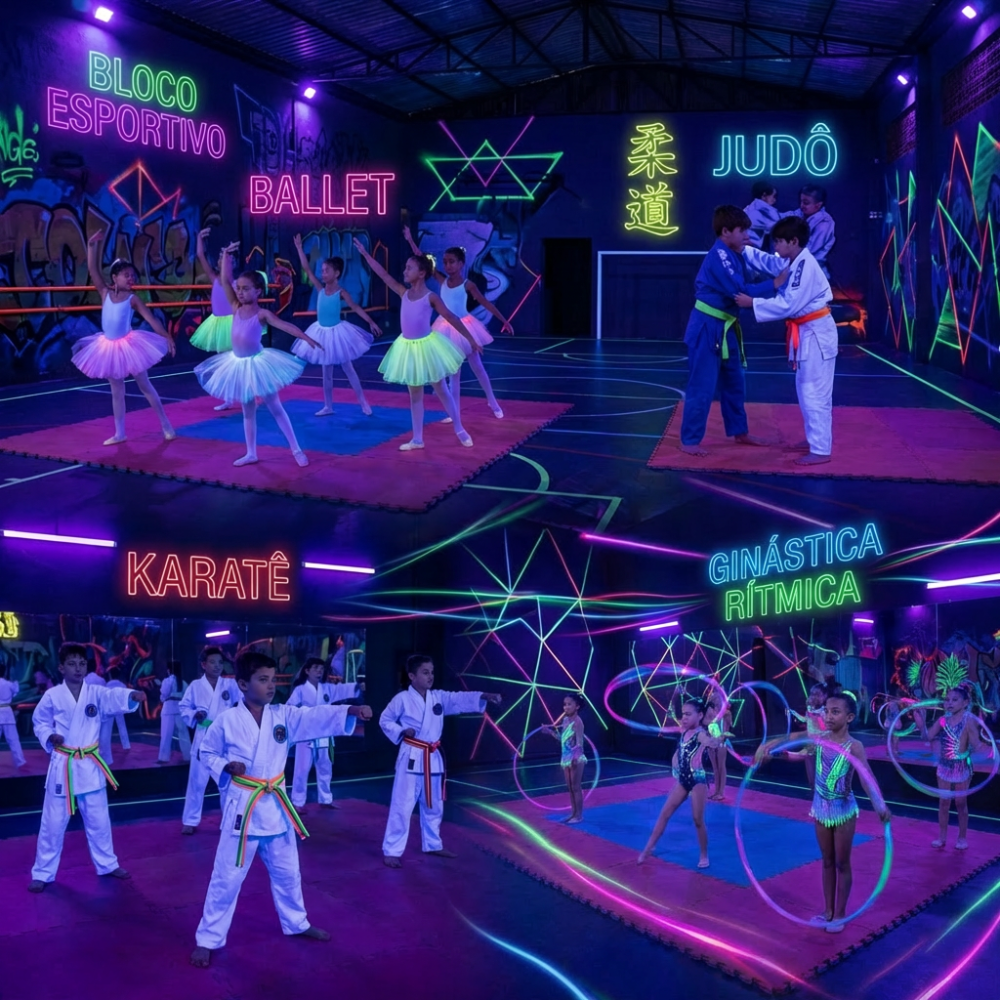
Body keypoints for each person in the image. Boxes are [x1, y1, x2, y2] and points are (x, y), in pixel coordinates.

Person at [190, 651, 372, 968]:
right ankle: (208, 938)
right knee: (227, 878)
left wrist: (351, 710)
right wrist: (225, 765)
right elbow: (206, 751)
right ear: (243, 684)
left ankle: (297, 922)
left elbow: (314, 717)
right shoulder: (227, 721)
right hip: (243, 812)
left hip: (276, 806)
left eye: (274, 679)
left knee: (289, 873)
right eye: (263, 680)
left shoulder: (283, 716)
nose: (271, 686)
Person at [757, 691, 891, 932]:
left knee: (842, 862)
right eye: (827, 711)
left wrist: (880, 804)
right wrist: (776, 753)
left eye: (835, 712)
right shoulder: (818, 739)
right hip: (820, 807)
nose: (829, 716)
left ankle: (839, 913)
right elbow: (799, 754)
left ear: (849, 717)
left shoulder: (855, 746)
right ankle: (827, 910)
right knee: (827, 861)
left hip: (842, 809)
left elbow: (866, 778)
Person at [28, 643, 147, 892]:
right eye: (72, 663)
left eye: (82, 663)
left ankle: (107, 864)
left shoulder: (95, 692)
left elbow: (113, 698)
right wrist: (50, 737)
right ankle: (42, 872)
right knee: (52, 823)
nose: (78, 668)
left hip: (90, 765)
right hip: (64, 764)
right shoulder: (52, 696)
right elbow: (39, 721)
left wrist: (130, 696)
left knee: (99, 820)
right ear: (61, 668)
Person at [194, 244, 319, 468]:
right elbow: (224, 281)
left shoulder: (262, 314)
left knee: (275, 407)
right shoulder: (234, 307)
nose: (240, 292)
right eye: (239, 288)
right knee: (247, 410)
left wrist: (305, 337)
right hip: (238, 364)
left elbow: (284, 325)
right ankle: (251, 452)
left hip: (258, 364)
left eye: (245, 289)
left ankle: (296, 449)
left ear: (258, 291)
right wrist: (226, 255)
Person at [679, 205, 788, 457]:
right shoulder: (718, 256)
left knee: (735, 382)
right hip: (707, 327)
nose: (747, 236)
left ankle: (740, 432)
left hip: (727, 326)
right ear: (725, 231)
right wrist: (775, 283)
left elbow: (747, 285)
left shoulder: (735, 253)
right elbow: (740, 291)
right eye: (742, 231)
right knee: (703, 385)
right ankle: (689, 439)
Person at [353, 239, 481, 451]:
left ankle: (459, 428)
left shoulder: (430, 297)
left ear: (421, 273)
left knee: (441, 388)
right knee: (415, 395)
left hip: (427, 347)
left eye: (409, 268)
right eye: (405, 268)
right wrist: (366, 255)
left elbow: (451, 317)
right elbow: (383, 275)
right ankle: (418, 439)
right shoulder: (403, 293)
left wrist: (471, 339)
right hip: (407, 348)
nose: (405, 271)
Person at [380, 654, 501, 867]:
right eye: (425, 672)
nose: (430, 676)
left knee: (434, 805)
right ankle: (392, 850)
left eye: (432, 672)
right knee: (403, 804)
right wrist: (401, 730)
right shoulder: (402, 699)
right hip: (412, 755)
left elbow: (459, 699)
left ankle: (433, 843)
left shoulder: (438, 697)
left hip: (433, 757)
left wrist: (484, 695)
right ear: (412, 676)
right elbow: (385, 719)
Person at [737, 215, 838, 466]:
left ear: (793, 241)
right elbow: (771, 262)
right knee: (806, 390)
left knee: (814, 391)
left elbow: (788, 304)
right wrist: (745, 248)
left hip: (815, 334)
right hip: (808, 333)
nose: (776, 247)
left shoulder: (805, 266)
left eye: (780, 242)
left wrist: (754, 303)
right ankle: (815, 439)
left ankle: (821, 449)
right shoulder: (795, 260)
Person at [73, 232, 176, 445]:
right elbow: (92, 270)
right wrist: (92, 246)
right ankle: (120, 432)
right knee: (116, 391)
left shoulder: (132, 299)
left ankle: (166, 424)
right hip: (107, 347)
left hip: (129, 346)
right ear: (114, 277)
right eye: (126, 275)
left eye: (132, 276)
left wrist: (166, 336)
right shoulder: (104, 293)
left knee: (144, 385)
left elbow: (151, 319)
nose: (131, 279)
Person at [404, 228, 513, 419]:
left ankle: (493, 402)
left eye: (451, 262)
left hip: (464, 327)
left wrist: (504, 320)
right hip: (445, 327)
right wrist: (410, 240)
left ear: (461, 264)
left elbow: (485, 302)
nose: (448, 265)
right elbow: (422, 258)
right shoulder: (441, 280)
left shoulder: (467, 285)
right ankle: (454, 413)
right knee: (453, 373)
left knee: (477, 367)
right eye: (445, 262)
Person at [290, 234, 382, 417]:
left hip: (337, 333)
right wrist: (300, 249)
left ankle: (364, 403)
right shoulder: (320, 289)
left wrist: (370, 321)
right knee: (326, 372)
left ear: (336, 273)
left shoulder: (341, 292)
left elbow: (355, 307)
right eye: (322, 270)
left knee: (348, 369)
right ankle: (328, 406)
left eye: (326, 271)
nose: (322, 273)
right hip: (321, 332)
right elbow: (307, 270)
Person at [638, 697, 721, 868]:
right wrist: (674, 763)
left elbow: (710, 743)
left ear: (699, 715)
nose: (684, 717)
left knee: (697, 819)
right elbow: (679, 752)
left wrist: (718, 740)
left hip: (697, 780)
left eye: (688, 714)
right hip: (683, 780)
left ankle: (704, 854)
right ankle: (649, 847)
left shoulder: (700, 734)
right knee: (664, 813)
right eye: (683, 714)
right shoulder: (684, 733)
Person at [286, 657, 363, 812]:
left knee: (325, 767)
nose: (319, 672)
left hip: (325, 735)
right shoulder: (300, 690)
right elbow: (289, 708)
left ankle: (325, 799)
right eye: (316, 668)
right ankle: (297, 802)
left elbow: (341, 690)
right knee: (301, 769)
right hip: (306, 735)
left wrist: (358, 686)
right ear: (307, 671)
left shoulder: (327, 689)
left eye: (321, 669)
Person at [178, 646, 241, 834]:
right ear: (203, 665)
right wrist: (194, 714)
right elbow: (183, 707)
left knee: (227, 782)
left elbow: (244, 702)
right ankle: (190, 820)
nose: (217, 666)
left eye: (220, 662)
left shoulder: (230, 685)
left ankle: (229, 820)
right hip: (203, 737)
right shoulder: (196, 686)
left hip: (225, 738)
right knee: (197, 783)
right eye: (212, 662)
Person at [924, 681, 981, 850]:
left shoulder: (969, 721)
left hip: (961, 765)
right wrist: (921, 722)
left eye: (954, 700)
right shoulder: (943, 720)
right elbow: (928, 736)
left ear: (965, 703)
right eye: (947, 699)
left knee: (960, 802)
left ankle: (962, 837)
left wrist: (983, 749)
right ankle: (942, 837)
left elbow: (976, 744)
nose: (949, 703)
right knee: (944, 802)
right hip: (944, 766)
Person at [190, 229, 236, 410]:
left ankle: (250, 392)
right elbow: (200, 255)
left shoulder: (235, 283)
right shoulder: (214, 278)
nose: (224, 263)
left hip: (233, 324)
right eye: (221, 260)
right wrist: (199, 238)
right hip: (218, 324)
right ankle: (229, 398)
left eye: (228, 260)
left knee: (239, 361)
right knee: (224, 363)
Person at [542, 695, 587, 823]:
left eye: (569, 704)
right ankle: (573, 813)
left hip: (576, 757)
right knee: (570, 787)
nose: (566, 707)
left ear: (577, 706)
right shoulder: (565, 720)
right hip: (566, 757)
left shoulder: (578, 722)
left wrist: (575, 757)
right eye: (565, 704)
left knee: (576, 787)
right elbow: (563, 738)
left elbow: (579, 743)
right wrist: (549, 732)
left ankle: (579, 816)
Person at [787, 683, 828, 789]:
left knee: (821, 767)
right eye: (813, 694)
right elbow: (805, 720)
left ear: (823, 696)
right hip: (810, 741)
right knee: (809, 764)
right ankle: (812, 786)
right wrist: (794, 713)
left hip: (821, 742)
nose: (814, 696)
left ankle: (822, 787)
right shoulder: (810, 708)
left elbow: (824, 728)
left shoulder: (824, 711)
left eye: (817, 694)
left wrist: (817, 717)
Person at [795, 185, 836, 278]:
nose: (802, 205)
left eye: (806, 203)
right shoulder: (800, 214)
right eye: (801, 201)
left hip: (815, 274)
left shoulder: (825, 223)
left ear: (818, 205)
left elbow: (811, 249)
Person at [157, 660, 191, 764]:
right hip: (180, 710)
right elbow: (187, 697)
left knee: (166, 734)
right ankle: (188, 756)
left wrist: (164, 697)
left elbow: (163, 695)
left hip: (168, 710)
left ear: (169, 670)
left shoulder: (167, 681)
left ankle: (163, 758)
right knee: (183, 733)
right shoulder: (184, 683)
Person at [98, 666, 132, 765]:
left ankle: (104, 750)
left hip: (109, 708)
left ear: (111, 675)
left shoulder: (107, 684)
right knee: (122, 726)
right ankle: (126, 745)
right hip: (119, 708)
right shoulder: (122, 684)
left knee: (106, 731)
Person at [705, 694, 733, 801]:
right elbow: (708, 726)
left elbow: (728, 727)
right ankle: (716, 791)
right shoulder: (711, 713)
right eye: (712, 698)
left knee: (721, 767)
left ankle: (721, 792)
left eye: (715, 698)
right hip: (712, 742)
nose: (713, 699)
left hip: (721, 742)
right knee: (715, 769)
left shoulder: (726, 713)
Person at [0, 664, 26, 768]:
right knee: (13, 739)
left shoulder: (10, 684)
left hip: (5, 710)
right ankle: (20, 761)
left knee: (13, 738)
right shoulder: (10, 684)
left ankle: (21, 762)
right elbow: (16, 693)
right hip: (7, 711)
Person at [744, 182, 781, 249]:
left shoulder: (750, 208)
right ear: (764, 196)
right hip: (751, 249)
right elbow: (778, 224)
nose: (774, 200)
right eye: (773, 196)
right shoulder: (760, 210)